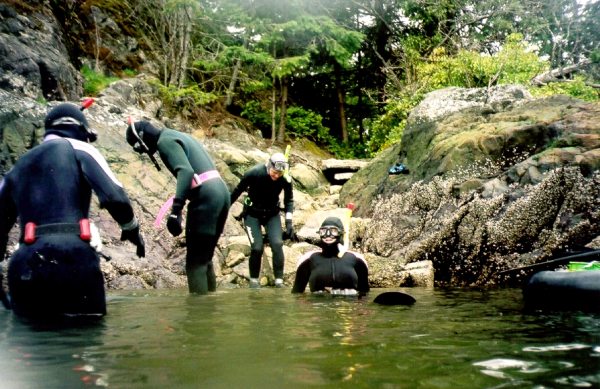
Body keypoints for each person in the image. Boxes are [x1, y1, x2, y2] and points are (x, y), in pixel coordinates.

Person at [0, 102, 145, 320]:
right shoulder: (80, 148)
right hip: (72, 258)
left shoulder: (17, 167)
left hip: (25, 265)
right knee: (84, 343)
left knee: (34, 346)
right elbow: (116, 198)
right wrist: (131, 229)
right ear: (80, 129)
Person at [125, 120, 230, 294]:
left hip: (206, 196)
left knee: (195, 264)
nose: (142, 151)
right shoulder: (177, 135)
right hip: (221, 192)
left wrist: (176, 211)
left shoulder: (164, 141)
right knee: (205, 259)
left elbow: (186, 171)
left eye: (138, 147)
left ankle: (197, 318)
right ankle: (211, 314)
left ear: (142, 139)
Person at [230, 152, 294, 288]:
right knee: (257, 247)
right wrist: (224, 209)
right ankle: (253, 280)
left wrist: (289, 222)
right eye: (274, 172)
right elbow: (237, 191)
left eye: (279, 174)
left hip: (272, 215)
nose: (276, 176)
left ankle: (279, 281)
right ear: (268, 166)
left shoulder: (286, 179)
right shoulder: (254, 173)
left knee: (277, 244)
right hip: (252, 215)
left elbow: (289, 200)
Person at [292, 216, 369, 295]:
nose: (327, 235)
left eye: (333, 231)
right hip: (318, 305)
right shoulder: (309, 260)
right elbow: (297, 294)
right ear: (319, 233)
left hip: (348, 306)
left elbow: (364, 294)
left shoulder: (356, 259)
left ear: (341, 233)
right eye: (323, 231)